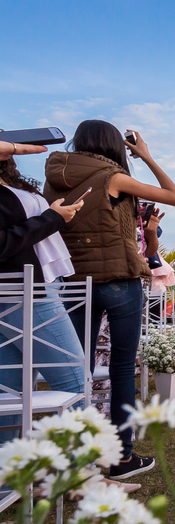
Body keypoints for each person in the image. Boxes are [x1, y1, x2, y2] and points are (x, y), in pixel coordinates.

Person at [45, 121, 175, 481]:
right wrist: (147, 156)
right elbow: (174, 195)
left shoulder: (54, 179)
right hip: (119, 282)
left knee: (80, 371)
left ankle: (78, 457)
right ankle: (121, 457)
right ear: (111, 145)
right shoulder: (112, 177)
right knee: (122, 368)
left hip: (74, 282)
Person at [0, 140, 87, 446]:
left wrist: (56, 216)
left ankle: (8, 482)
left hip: (34, 287)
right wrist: (52, 218)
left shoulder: (10, 184)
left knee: (10, 391)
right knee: (75, 381)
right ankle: (82, 479)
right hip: (26, 293)